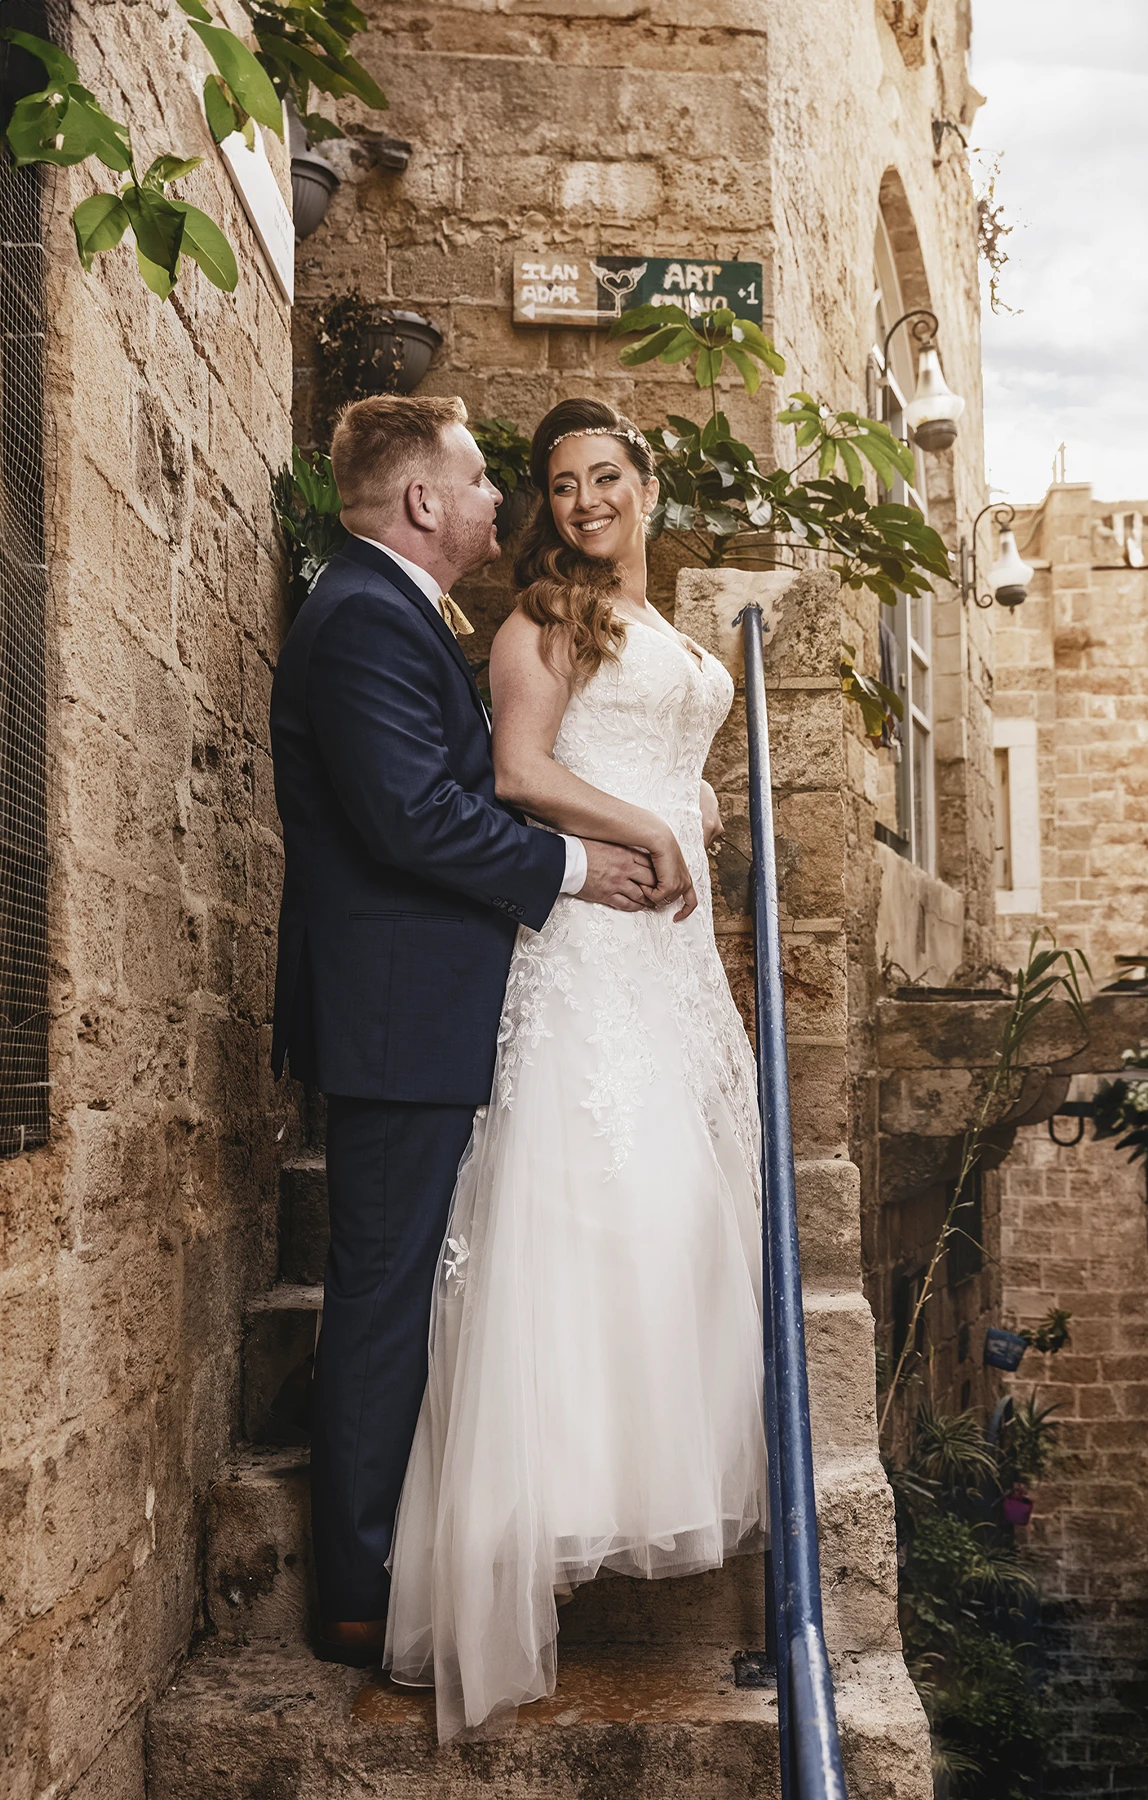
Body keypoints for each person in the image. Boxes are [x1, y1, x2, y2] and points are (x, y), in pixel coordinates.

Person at [269, 394, 673, 1667]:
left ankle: (387, 1559)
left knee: (399, 1290)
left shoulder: (387, 611)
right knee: (384, 1299)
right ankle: (358, 1591)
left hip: (422, 1012)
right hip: (397, 1018)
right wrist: (570, 868)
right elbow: (411, 820)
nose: (504, 498)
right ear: (425, 503)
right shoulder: (360, 623)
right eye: (485, 479)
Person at [384, 396, 767, 1741]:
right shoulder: (543, 619)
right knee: (591, 1204)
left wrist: (696, 798)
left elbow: (658, 741)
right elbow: (521, 769)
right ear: (543, 504)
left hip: (669, 967)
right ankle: (544, 1507)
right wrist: (650, 826)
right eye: (560, 483)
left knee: (671, 1214)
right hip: (595, 945)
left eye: (608, 475)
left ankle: (640, 1473)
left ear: (648, 484)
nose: (586, 499)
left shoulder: (653, 627)